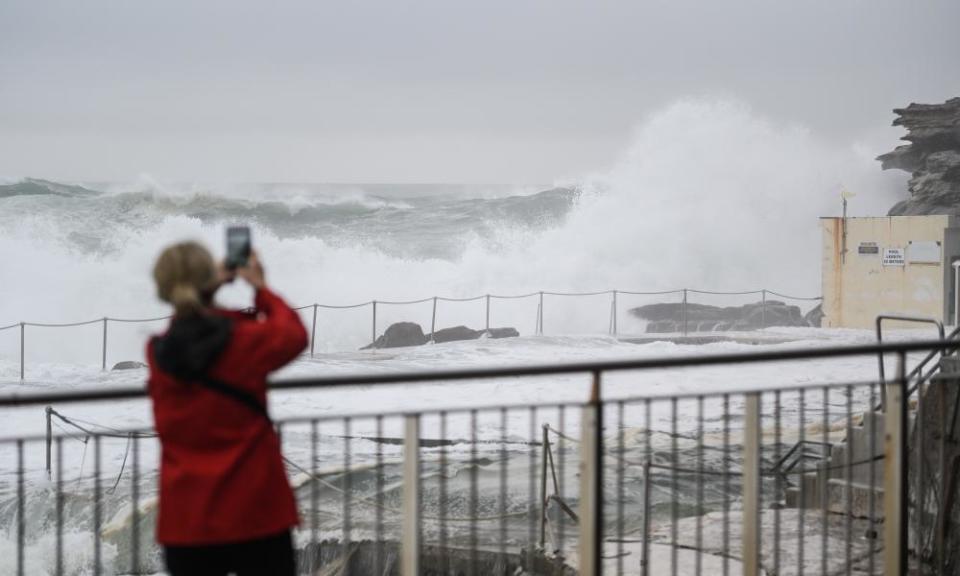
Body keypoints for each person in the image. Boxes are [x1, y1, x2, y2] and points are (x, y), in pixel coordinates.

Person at [147, 241, 307, 576]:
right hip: (255, 510)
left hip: (187, 519)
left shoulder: (159, 354)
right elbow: (292, 334)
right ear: (208, 283)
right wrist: (259, 286)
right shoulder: (241, 341)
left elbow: (189, 328)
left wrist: (205, 289)